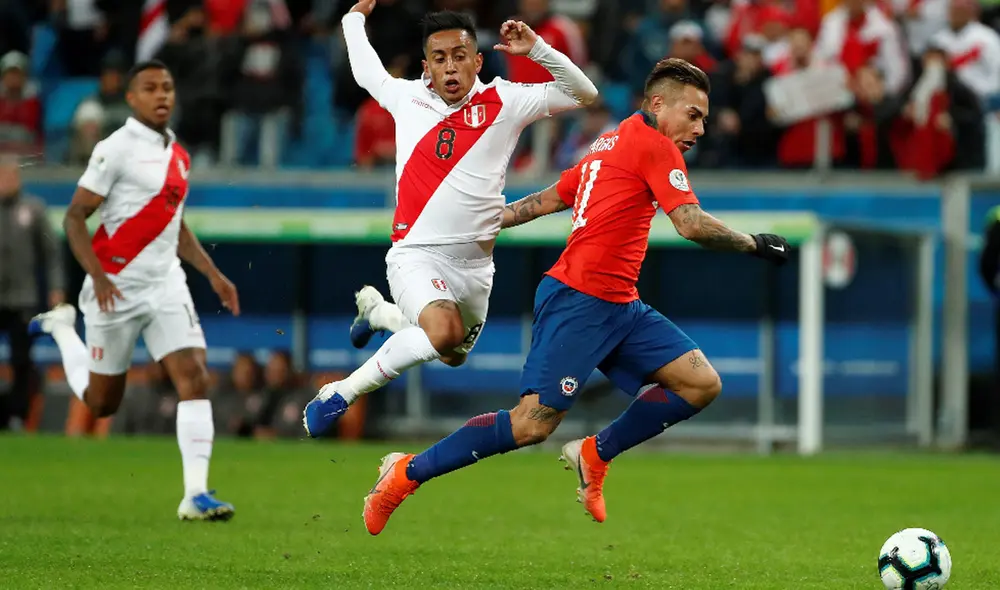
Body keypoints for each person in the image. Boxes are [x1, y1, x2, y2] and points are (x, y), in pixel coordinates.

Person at [358, 58, 791, 536]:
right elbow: (689, 223)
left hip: (620, 304)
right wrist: (754, 244)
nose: (700, 129)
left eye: (704, 119)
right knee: (530, 425)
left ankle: (594, 453)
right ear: (658, 104)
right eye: (693, 115)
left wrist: (483, 222)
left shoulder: (611, 142)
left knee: (699, 384)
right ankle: (405, 473)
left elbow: (548, 199)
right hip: (579, 300)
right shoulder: (654, 146)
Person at [302, 0, 598, 437]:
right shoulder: (408, 99)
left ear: (477, 61)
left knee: (452, 352)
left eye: (460, 56)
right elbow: (367, 73)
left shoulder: (505, 100)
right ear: (427, 67)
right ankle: (339, 393)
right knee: (442, 332)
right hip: (416, 255)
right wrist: (352, 19)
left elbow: (583, 93)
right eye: (440, 58)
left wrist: (536, 49)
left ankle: (380, 314)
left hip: (475, 268)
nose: (450, 66)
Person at [28, 60, 241, 522]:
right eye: (150, 88)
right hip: (115, 288)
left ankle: (195, 494)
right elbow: (73, 217)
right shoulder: (114, 149)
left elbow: (174, 226)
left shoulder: (179, 155)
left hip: (166, 283)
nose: (161, 95)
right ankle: (62, 329)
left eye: (167, 87)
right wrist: (98, 276)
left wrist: (212, 274)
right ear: (131, 98)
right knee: (102, 403)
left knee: (195, 375)